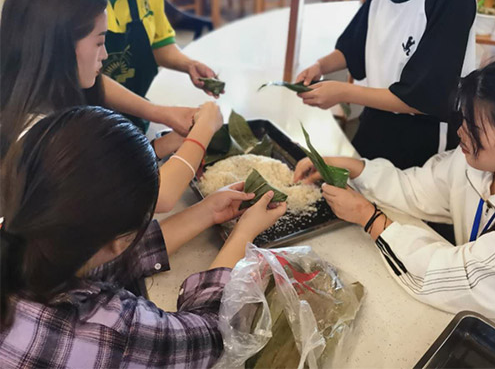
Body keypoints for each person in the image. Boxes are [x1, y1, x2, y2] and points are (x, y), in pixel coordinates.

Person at [294, 52, 495, 329]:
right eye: (464, 117)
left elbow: (460, 281)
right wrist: (351, 167)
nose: (460, 131)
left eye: (474, 127)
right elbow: (415, 189)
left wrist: (370, 218)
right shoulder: (484, 162)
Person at [0, 106, 287, 368]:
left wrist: (206, 212)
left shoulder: (29, 242)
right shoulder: (111, 332)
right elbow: (211, 335)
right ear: (118, 241)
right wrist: (242, 234)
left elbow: (100, 256)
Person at [0, 0, 215, 213]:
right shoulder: (46, 136)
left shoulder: (26, 102)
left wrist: (160, 147)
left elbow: (103, 183)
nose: (104, 54)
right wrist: (204, 130)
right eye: (99, 42)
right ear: (61, 47)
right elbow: (159, 196)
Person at [295, 0, 476, 169]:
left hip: (422, 143)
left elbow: (425, 96)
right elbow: (354, 47)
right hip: (375, 122)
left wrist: (343, 92)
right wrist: (320, 66)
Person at [11, 0, 220, 129]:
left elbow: (158, 41)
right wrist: (158, 112)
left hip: (126, 126)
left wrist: (188, 65)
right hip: (72, 131)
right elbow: (65, 68)